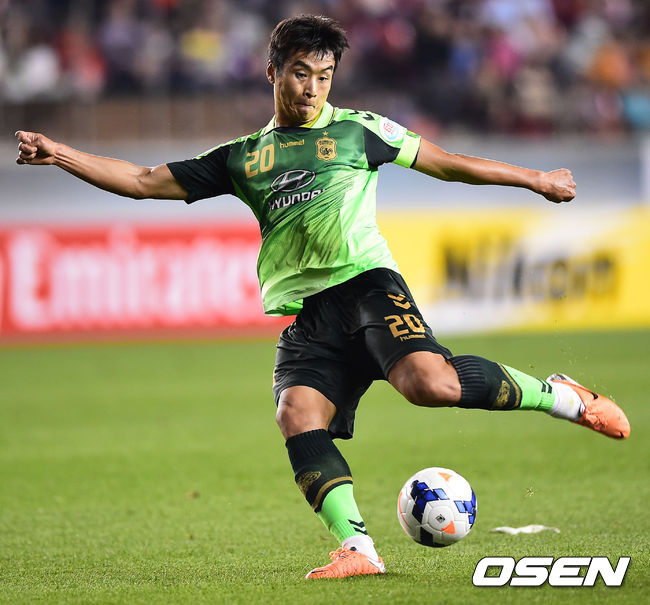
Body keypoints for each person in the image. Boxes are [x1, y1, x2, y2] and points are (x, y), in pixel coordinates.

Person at [15, 14, 630, 580]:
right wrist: (58, 152)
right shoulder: (243, 158)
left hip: (367, 286)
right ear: (273, 72)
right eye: (301, 73)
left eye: (325, 75)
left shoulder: (361, 131)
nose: (313, 88)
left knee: (430, 385)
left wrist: (536, 179)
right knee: (296, 414)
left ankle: (562, 397)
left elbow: (446, 163)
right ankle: (358, 548)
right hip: (309, 315)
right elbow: (144, 181)